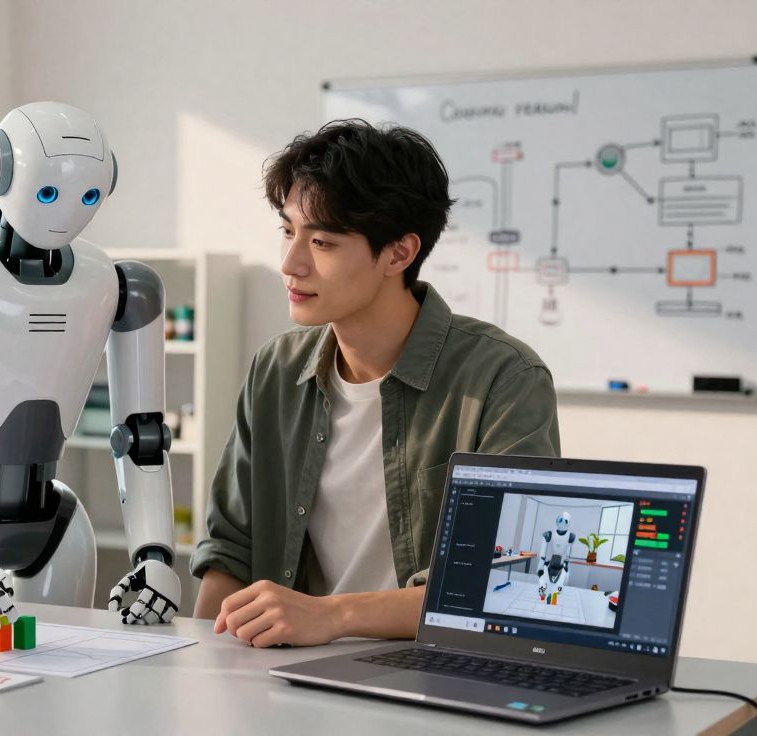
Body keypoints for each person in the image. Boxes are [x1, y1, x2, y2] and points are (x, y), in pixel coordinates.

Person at [189, 119, 561, 647]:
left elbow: (501, 582)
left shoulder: (504, 378)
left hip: (438, 672)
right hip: (284, 674)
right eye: (287, 230)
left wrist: (332, 615)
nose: (290, 264)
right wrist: (198, 663)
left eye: (321, 241)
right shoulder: (275, 370)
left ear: (399, 253)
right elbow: (230, 552)